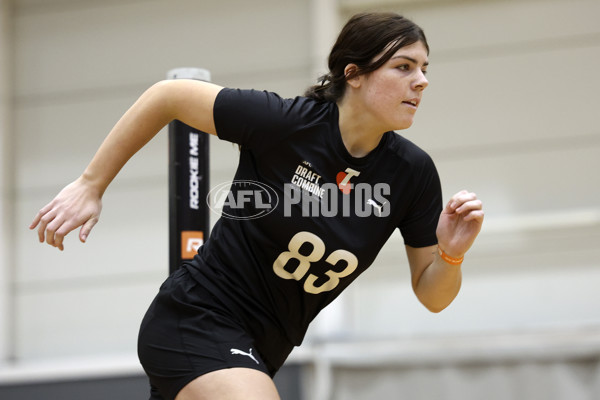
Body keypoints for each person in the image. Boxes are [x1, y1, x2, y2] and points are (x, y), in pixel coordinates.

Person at [29, 11, 483, 400]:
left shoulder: (412, 173)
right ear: (354, 73)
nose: (421, 81)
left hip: (261, 352)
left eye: (424, 68)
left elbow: (433, 296)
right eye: (404, 67)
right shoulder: (285, 124)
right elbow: (167, 96)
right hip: (197, 318)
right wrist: (91, 184)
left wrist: (452, 253)